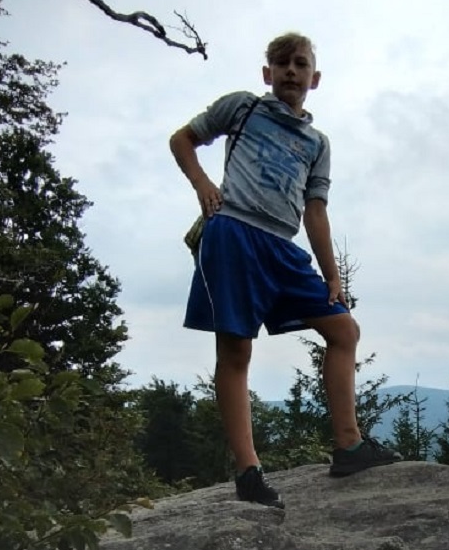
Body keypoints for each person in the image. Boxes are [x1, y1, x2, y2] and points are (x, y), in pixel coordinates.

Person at [169, 32, 400, 509]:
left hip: (282, 246)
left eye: (300, 64)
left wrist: (332, 276)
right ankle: (249, 472)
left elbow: (315, 211)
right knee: (236, 350)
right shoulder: (242, 108)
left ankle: (349, 446)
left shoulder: (317, 143)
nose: (290, 71)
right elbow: (182, 139)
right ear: (267, 73)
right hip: (234, 232)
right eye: (281, 63)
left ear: (315, 78)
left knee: (343, 330)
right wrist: (202, 183)